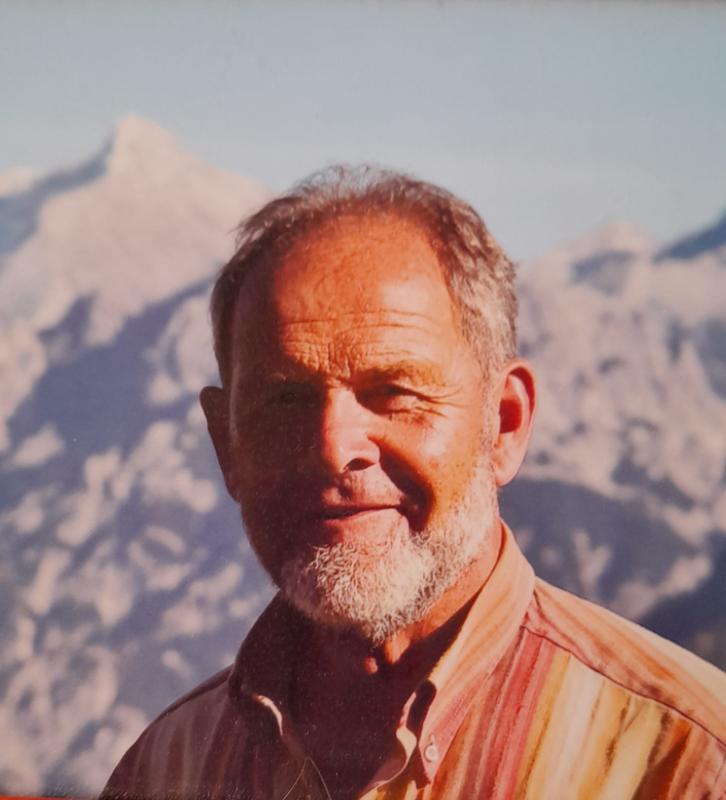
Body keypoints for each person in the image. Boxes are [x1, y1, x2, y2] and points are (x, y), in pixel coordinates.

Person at [101, 167, 726, 800]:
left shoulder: (687, 764)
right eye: (284, 401)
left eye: (394, 391)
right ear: (226, 443)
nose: (333, 448)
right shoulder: (163, 770)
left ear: (504, 424)